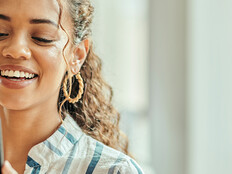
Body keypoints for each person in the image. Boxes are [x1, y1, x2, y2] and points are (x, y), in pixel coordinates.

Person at [0, 0, 144, 173]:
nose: (16, 50)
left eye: (42, 38)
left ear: (76, 56)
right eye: (0, 32)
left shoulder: (115, 170)